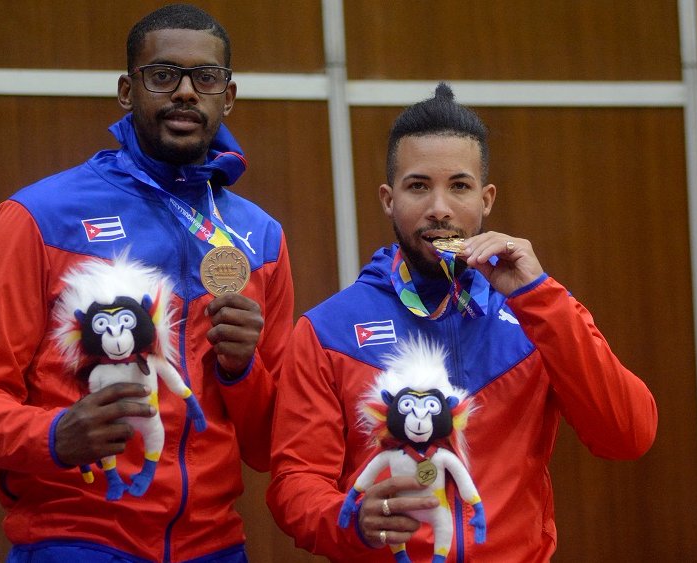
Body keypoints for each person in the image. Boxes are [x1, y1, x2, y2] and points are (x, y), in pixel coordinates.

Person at [0, 4, 294, 562]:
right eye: (162, 75)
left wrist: (242, 370)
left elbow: (265, 447)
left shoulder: (260, 238)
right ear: (127, 92)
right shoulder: (37, 217)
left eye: (204, 78)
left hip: (215, 547)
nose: (184, 91)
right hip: (76, 540)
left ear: (226, 97)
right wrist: (54, 434)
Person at [266, 82, 657, 562]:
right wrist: (348, 518)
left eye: (459, 185)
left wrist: (540, 297)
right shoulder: (329, 331)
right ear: (388, 199)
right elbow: (295, 482)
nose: (439, 208)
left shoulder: (539, 312)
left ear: (487, 198)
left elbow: (627, 434)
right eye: (417, 186)